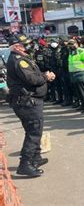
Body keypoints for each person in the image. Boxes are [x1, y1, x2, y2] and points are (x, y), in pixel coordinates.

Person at [7, 34, 55, 177]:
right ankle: (25, 164)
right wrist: (46, 77)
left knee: (36, 130)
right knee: (33, 132)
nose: (28, 46)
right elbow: (32, 79)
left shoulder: (23, 58)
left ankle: (35, 157)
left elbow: (33, 74)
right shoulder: (19, 61)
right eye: (24, 44)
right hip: (27, 102)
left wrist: (42, 74)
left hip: (30, 100)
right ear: (16, 47)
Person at [68, 39, 84, 113]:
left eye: (72, 44)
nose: (71, 45)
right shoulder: (71, 52)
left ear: (77, 44)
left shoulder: (81, 51)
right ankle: (83, 105)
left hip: (81, 72)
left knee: (83, 91)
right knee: (78, 91)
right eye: (70, 44)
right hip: (73, 73)